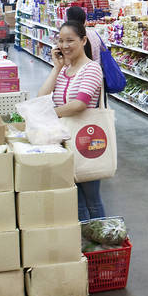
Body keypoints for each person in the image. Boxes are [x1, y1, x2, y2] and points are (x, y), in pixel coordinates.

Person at [37, 20, 106, 221]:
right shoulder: (64, 72)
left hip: (87, 142)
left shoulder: (92, 69)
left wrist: (51, 113)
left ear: (83, 40)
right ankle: (84, 243)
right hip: (64, 142)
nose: (65, 46)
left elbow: (79, 104)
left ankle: (102, 242)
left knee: (92, 199)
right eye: (60, 41)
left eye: (70, 40)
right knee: (76, 199)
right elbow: (42, 97)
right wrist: (56, 67)